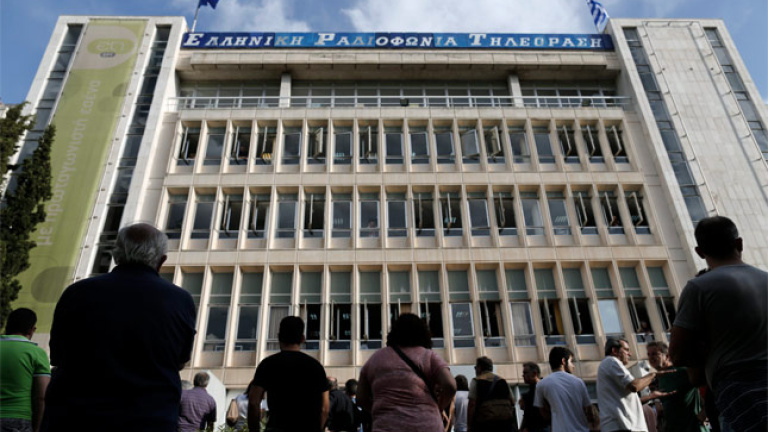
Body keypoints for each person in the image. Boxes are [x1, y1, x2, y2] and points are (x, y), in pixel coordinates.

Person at [43, 223, 196, 432]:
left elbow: (57, 356)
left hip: (74, 417)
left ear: (116, 255)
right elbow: (181, 360)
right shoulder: (181, 301)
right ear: (161, 261)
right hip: (149, 419)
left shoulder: (77, 293)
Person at [669, 216, 768, 432]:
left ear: (700, 252)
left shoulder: (699, 288)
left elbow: (677, 354)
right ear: (739, 243)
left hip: (738, 393)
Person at [358, 313, 456, 432]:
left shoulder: (375, 359)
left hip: (387, 425)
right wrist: (439, 407)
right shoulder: (429, 356)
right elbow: (450, 385)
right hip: (426, 425)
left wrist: (381, 410)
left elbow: (361, 398)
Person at [247, 316, 329, 432]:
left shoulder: (267, 365)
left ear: (279, 337)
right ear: (302, 338)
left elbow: (253, 402)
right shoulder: (316, 367)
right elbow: (325, 408)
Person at [0, 308, 51, 432]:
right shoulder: (37, 353)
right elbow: (42, 396)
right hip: (19, 420)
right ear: (32, 329)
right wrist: (37, 428)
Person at [598, 338, 661, 432]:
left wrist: (652, 396)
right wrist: (652, 375)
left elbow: (628, 399)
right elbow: (635, 386)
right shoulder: (611, 361)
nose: (630, 354)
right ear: (614, 350)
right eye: (626, 350)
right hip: (623, 427)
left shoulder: (608, 365)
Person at [646, 342, 705, 432]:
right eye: (648, 354)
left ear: (667, 356)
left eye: (654, 354)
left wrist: (703, 413)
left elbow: (708, 387)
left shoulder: (682, 371)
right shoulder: (657, 379)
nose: (650, 357)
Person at [533, 347, 592, 432]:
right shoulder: (579, 382)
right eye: (571, 361)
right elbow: (588, 410)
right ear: (563, 361)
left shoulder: (541, 384)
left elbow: (544, 414)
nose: (573, 366)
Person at [467, 356, 517, 432]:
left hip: (484, 424)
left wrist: (469, 425)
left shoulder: (476, 381)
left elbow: (472, 404)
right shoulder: (502, 381)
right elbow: (512, 401)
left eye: (475, 367)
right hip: (504, 423)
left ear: (479, 368)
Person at [519, 362, 548, 432]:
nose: (523, 375)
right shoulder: (532, 390)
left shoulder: (543, 388)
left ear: (534, 374)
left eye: (525, 373)